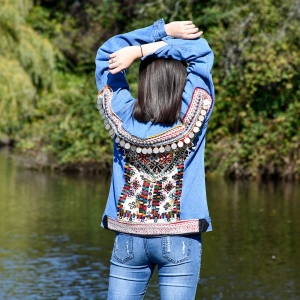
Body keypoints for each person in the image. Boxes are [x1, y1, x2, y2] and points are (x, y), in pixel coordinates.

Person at [95, 19, 214, 300]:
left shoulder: (120, 114)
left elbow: (107, 53)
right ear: (181, 81)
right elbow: (200, 49)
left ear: (143, 81)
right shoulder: (194, 108)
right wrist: (146, 50)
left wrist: (159, 32)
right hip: (180, 237)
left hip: (128, 238)